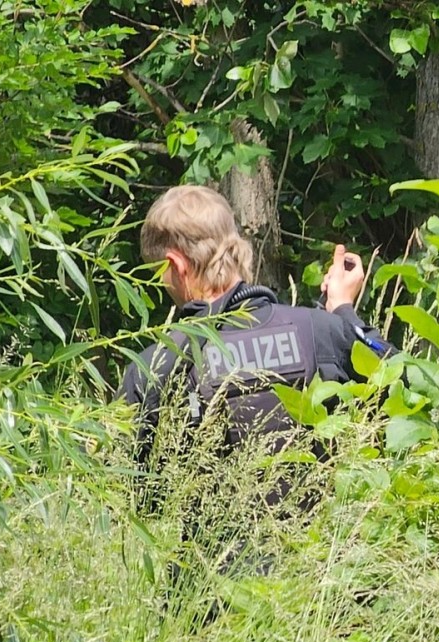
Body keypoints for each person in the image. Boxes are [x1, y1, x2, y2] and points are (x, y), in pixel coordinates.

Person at [121, 185, 391, 567]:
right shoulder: (320, 331)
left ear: (177, 266)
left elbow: (135, 493)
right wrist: (344, 313)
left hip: (211, 596)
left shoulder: (158, 363)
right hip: (322, 584)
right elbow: (405, 388)